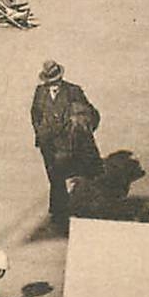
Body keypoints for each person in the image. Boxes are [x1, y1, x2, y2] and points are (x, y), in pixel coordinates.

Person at [30, 60, 101, 224]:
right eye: (50, 82)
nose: (53, 85)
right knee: (54, 177)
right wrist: (39, 131)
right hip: (48, 142)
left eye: (55, 81)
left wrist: (80, 127)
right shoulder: (40, 92)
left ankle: (77, 210)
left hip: (68, 142)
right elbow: (35, 113)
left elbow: (91, 113)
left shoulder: (73, 91)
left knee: (74, 173)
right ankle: (58, 212)